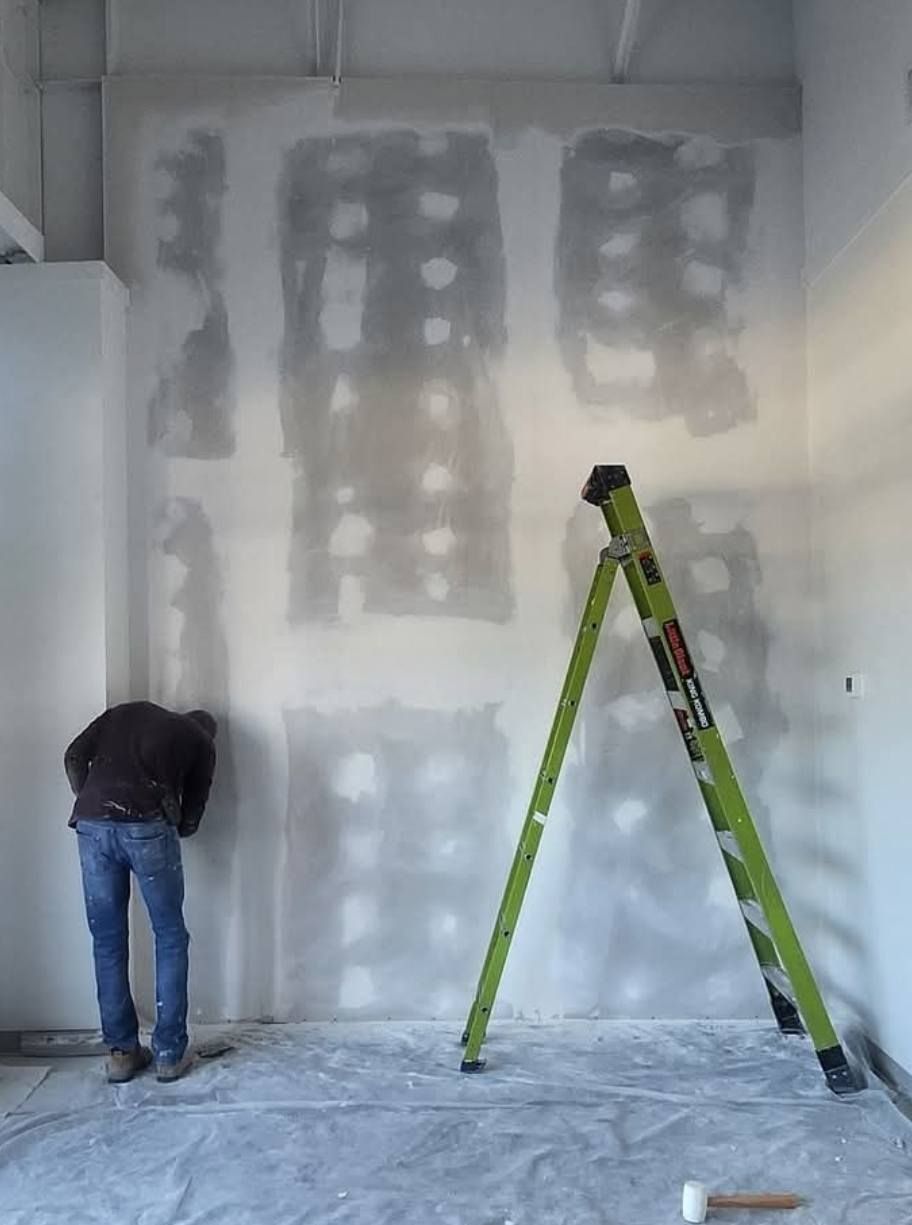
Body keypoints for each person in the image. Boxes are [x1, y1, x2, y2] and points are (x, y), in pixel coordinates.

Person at [64, 701, 217, 1084]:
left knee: (107, 940)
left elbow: (73, 755)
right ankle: (167, 1054)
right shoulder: (201, 741)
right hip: (146, 828)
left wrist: (93, 799)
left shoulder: (127, 712)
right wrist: (171, 824)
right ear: (207, 730)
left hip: (91, 826)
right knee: (169, 935)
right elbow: (192, 815)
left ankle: (121, 1054)